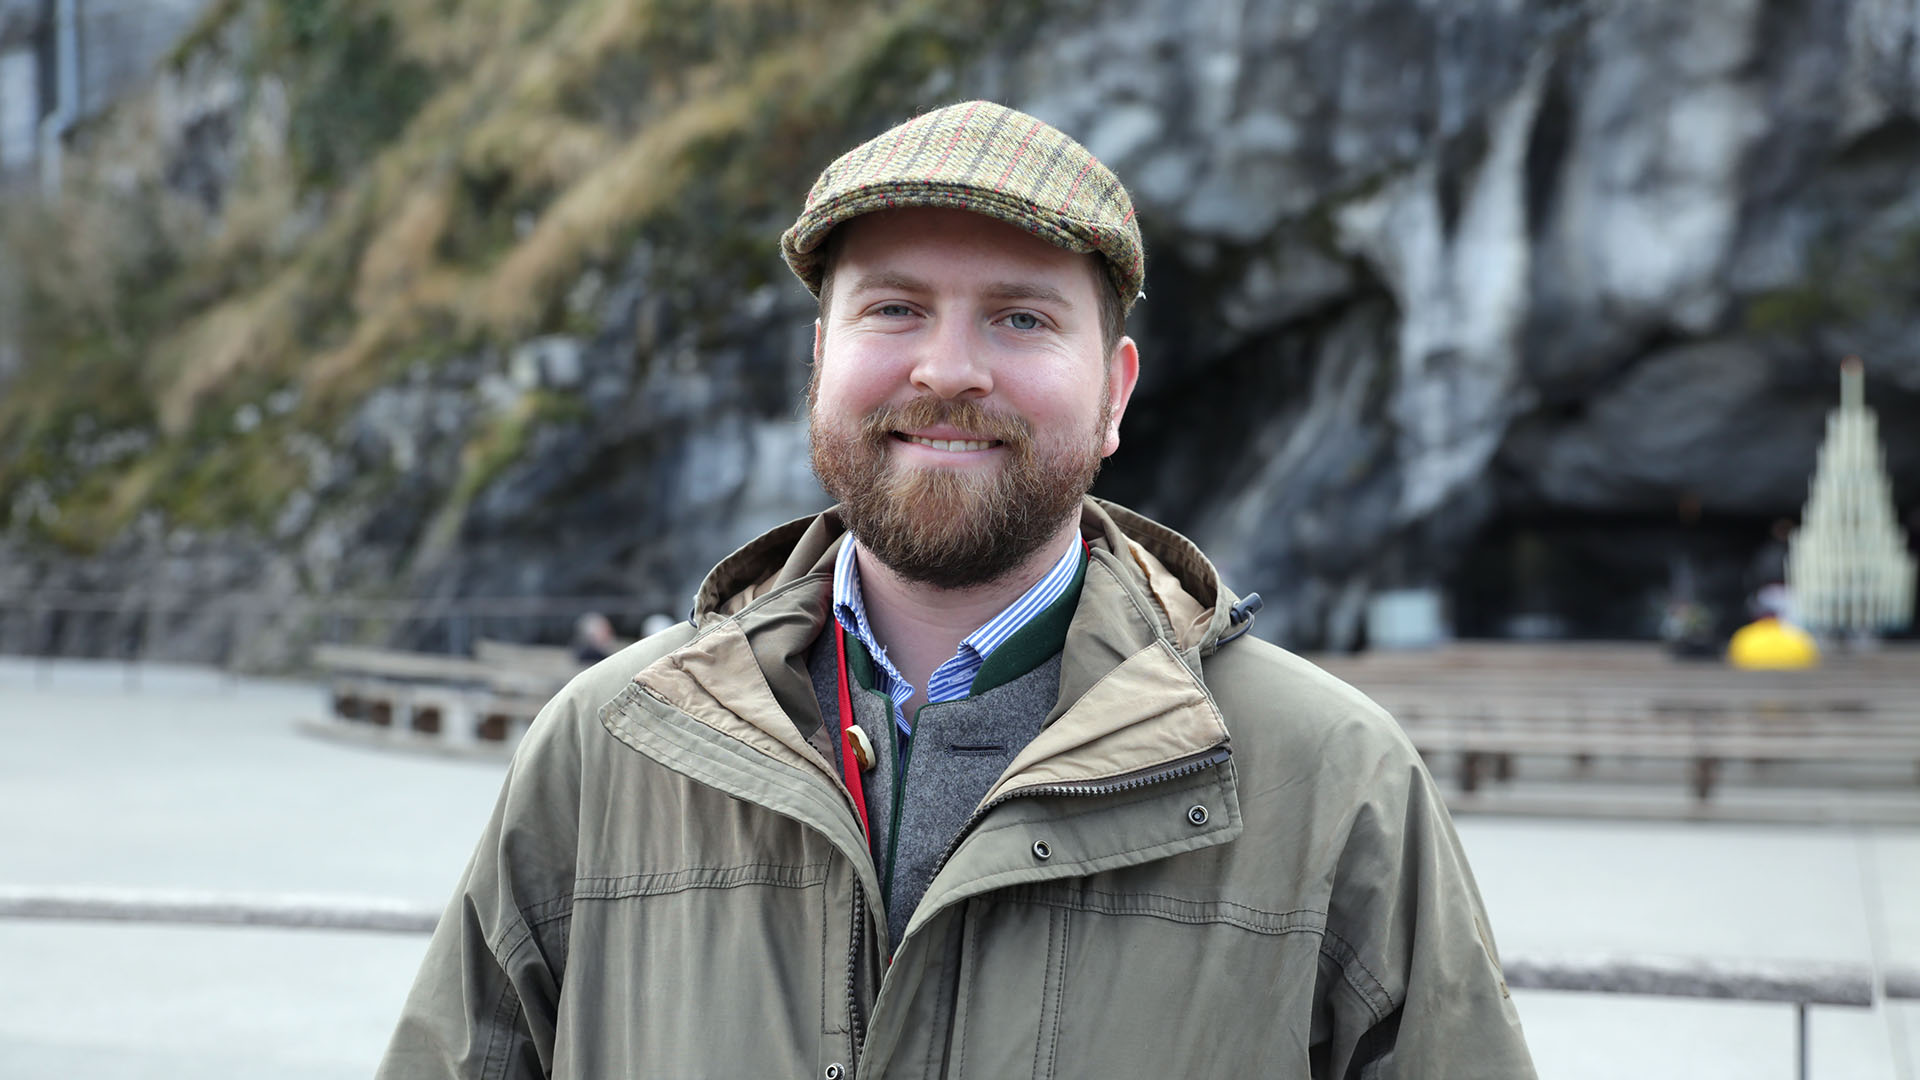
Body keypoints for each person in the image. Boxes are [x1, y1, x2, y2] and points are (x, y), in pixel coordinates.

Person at [379, 101, 1535, 1078]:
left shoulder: (1333, 783)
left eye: (1022, 317)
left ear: (1116, 391)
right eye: (894, 309)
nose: (948, 368)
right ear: (818, 359)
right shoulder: (607, 749)